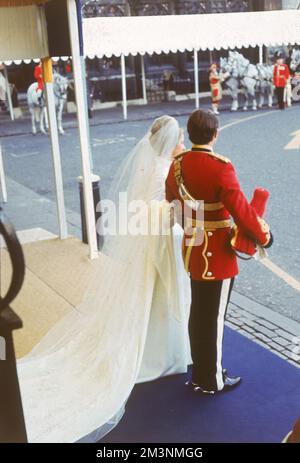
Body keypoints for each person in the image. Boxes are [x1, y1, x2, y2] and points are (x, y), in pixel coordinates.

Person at [17, 116, 191, 442]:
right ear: (170, 142)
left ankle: (165, 347)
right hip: (159, 236)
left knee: (148, 293)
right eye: (180, 139)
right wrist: (177, 213)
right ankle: (158, 353)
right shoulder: (163, 169)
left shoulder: (152, 162)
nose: (182, 144)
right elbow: (157, 207)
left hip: (149, 240)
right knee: (155, 294)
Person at [165, 109, 272, 394]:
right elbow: (242, 212)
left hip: (193, 246)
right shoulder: (220, 166)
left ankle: (201, 369)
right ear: (215, 134)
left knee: (198, 312)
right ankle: (211, 380)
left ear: (190, 134)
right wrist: (264, 236)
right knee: (213, 318)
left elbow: (172, 202)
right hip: (218, 252)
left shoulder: (177, 165)